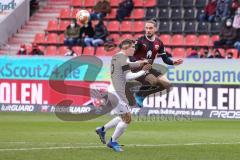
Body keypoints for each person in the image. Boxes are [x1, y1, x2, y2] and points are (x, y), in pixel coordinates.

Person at [95, 39, 151, 152]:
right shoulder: (122, 58)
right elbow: (129, 76)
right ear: (126, 47)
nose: (134, 49)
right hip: (116, 93)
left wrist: (140, 63)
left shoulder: (117, 56)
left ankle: (102, 129)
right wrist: (144, 71)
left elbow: (127, 65)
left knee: (123, 116)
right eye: (132, 47)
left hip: (113, 91)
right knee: (127, 119)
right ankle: (113, 141)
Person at [128, 19, 183, 107]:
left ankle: (141, 95)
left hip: (148, 68)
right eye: (146, 28)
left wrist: (173, 62)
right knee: (153, 80)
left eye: (150, 28)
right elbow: (130, 55)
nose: (148, 30)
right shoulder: (139, 41)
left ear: (155, 29)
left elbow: (165, 59)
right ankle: (139, 94)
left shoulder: (159, 43)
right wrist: (138, 61)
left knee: (167, 85)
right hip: (137, 68)